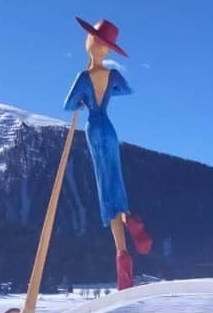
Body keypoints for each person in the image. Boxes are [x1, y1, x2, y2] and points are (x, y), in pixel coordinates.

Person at [63, 17, 152, 290]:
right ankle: (130, 219)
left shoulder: (83, 77)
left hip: (94, 127)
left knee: (106, 190)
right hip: (110, 129)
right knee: (117, 182)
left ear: (92, 43)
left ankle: (122, 260)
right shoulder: (112, 76)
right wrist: (109, 90)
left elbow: (68, 106)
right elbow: (127, 90)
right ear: (108, 49)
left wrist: (82, 101)